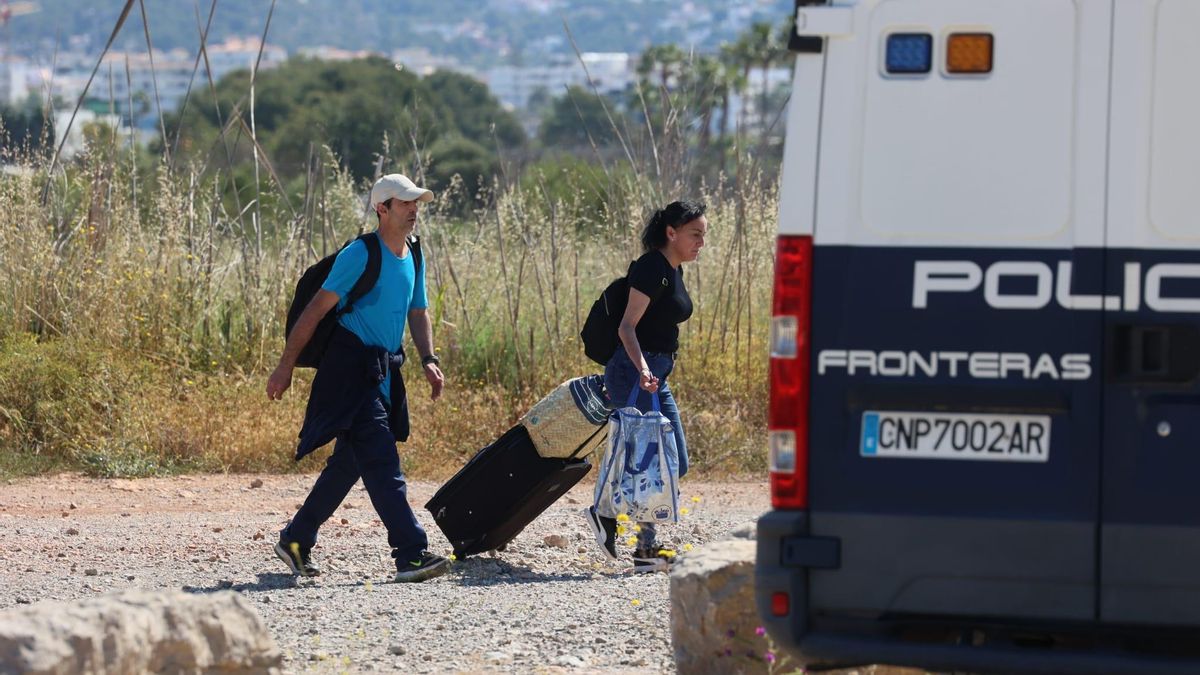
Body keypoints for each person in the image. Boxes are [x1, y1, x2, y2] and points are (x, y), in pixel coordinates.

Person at [266, 173, 449, 583]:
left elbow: (418, 312)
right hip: (350, 370)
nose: (414, 209)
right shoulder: (360, 254)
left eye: (416, 202)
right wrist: (285, 366)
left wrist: (428, 359)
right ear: (381, 209)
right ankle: (411, 553)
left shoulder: (414, 253)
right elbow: (313, 312)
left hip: (384, 370)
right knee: (381, 458)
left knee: (349, 463)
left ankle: (296, 539)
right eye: (405, 203)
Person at [586, 200, 707, 571]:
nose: (701, 242)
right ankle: (615, 523)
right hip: (633, 374)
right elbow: (626, 327)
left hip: (655, 377)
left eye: (704, 235)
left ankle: (640, 545)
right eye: (695, 234)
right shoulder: (653, 267)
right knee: (647, 462)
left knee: (673, 462)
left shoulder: (674, 269)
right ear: (671, 233)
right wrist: (641, 369)